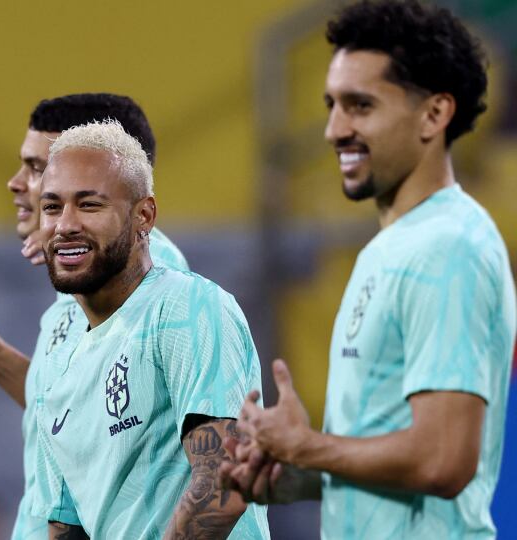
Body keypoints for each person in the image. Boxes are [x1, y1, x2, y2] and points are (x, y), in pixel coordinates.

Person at [222, 1, 516, 538]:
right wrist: (297, 477)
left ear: (434, 115)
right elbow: (398, 457)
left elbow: (444, 460)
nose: (334, 130)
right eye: (331, 105)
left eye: (360, 106)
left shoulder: (449, 248)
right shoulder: (390, 248)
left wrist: (308, 446)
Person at [0, 93, 190, 539]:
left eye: (39, 168)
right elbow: (85, 413)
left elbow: (126, 435)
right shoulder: (78, 291)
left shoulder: (157, 287)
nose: (17, 183)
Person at [27, 119, 269, 538]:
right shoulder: (58, 366)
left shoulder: (186, 307)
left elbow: (223, 484)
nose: (65, 224)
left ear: (144, 216)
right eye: (52, 207)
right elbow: (65, 525)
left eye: (89, 205)